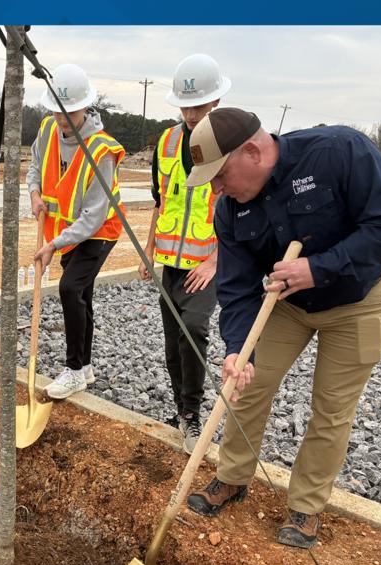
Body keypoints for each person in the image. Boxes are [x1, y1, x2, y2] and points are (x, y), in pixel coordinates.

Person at [181, 108, 381, 548]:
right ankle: (232, 477)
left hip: (356, 303)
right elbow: (235, 289)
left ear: (252, 151)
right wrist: (237, 348)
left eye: (220, 175)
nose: (217, 189)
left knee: (331, 408)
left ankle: (306, 507)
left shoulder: (338, 152)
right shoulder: (230, 211)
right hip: (286, 306)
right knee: (245, 384)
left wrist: (320, 267)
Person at [138, 53, 230, 454]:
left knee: (194, 330)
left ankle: (192, 415)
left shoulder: (228, 145)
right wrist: (149, 247)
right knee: (173, 340)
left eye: (199, 105)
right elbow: (161, 200)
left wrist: (215, 260)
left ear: (216, 103)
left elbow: (239, 210)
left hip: (206, 263)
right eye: (185, 106)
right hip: (170, 263)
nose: (191, 114)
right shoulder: (167, 141)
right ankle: (181, 410)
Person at [27, 64, 126, 400]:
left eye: (70, 111)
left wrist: (53, 245)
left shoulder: (101, 151)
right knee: (82, 294)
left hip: (100, 231)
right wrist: (35, 193)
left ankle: (72, 370)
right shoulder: (47, 129)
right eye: (57, 111)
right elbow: (35, 167)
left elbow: (93, 216)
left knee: (70, 288)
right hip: (67, 230)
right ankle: (84, 367)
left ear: (86, 106)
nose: (63, 119)